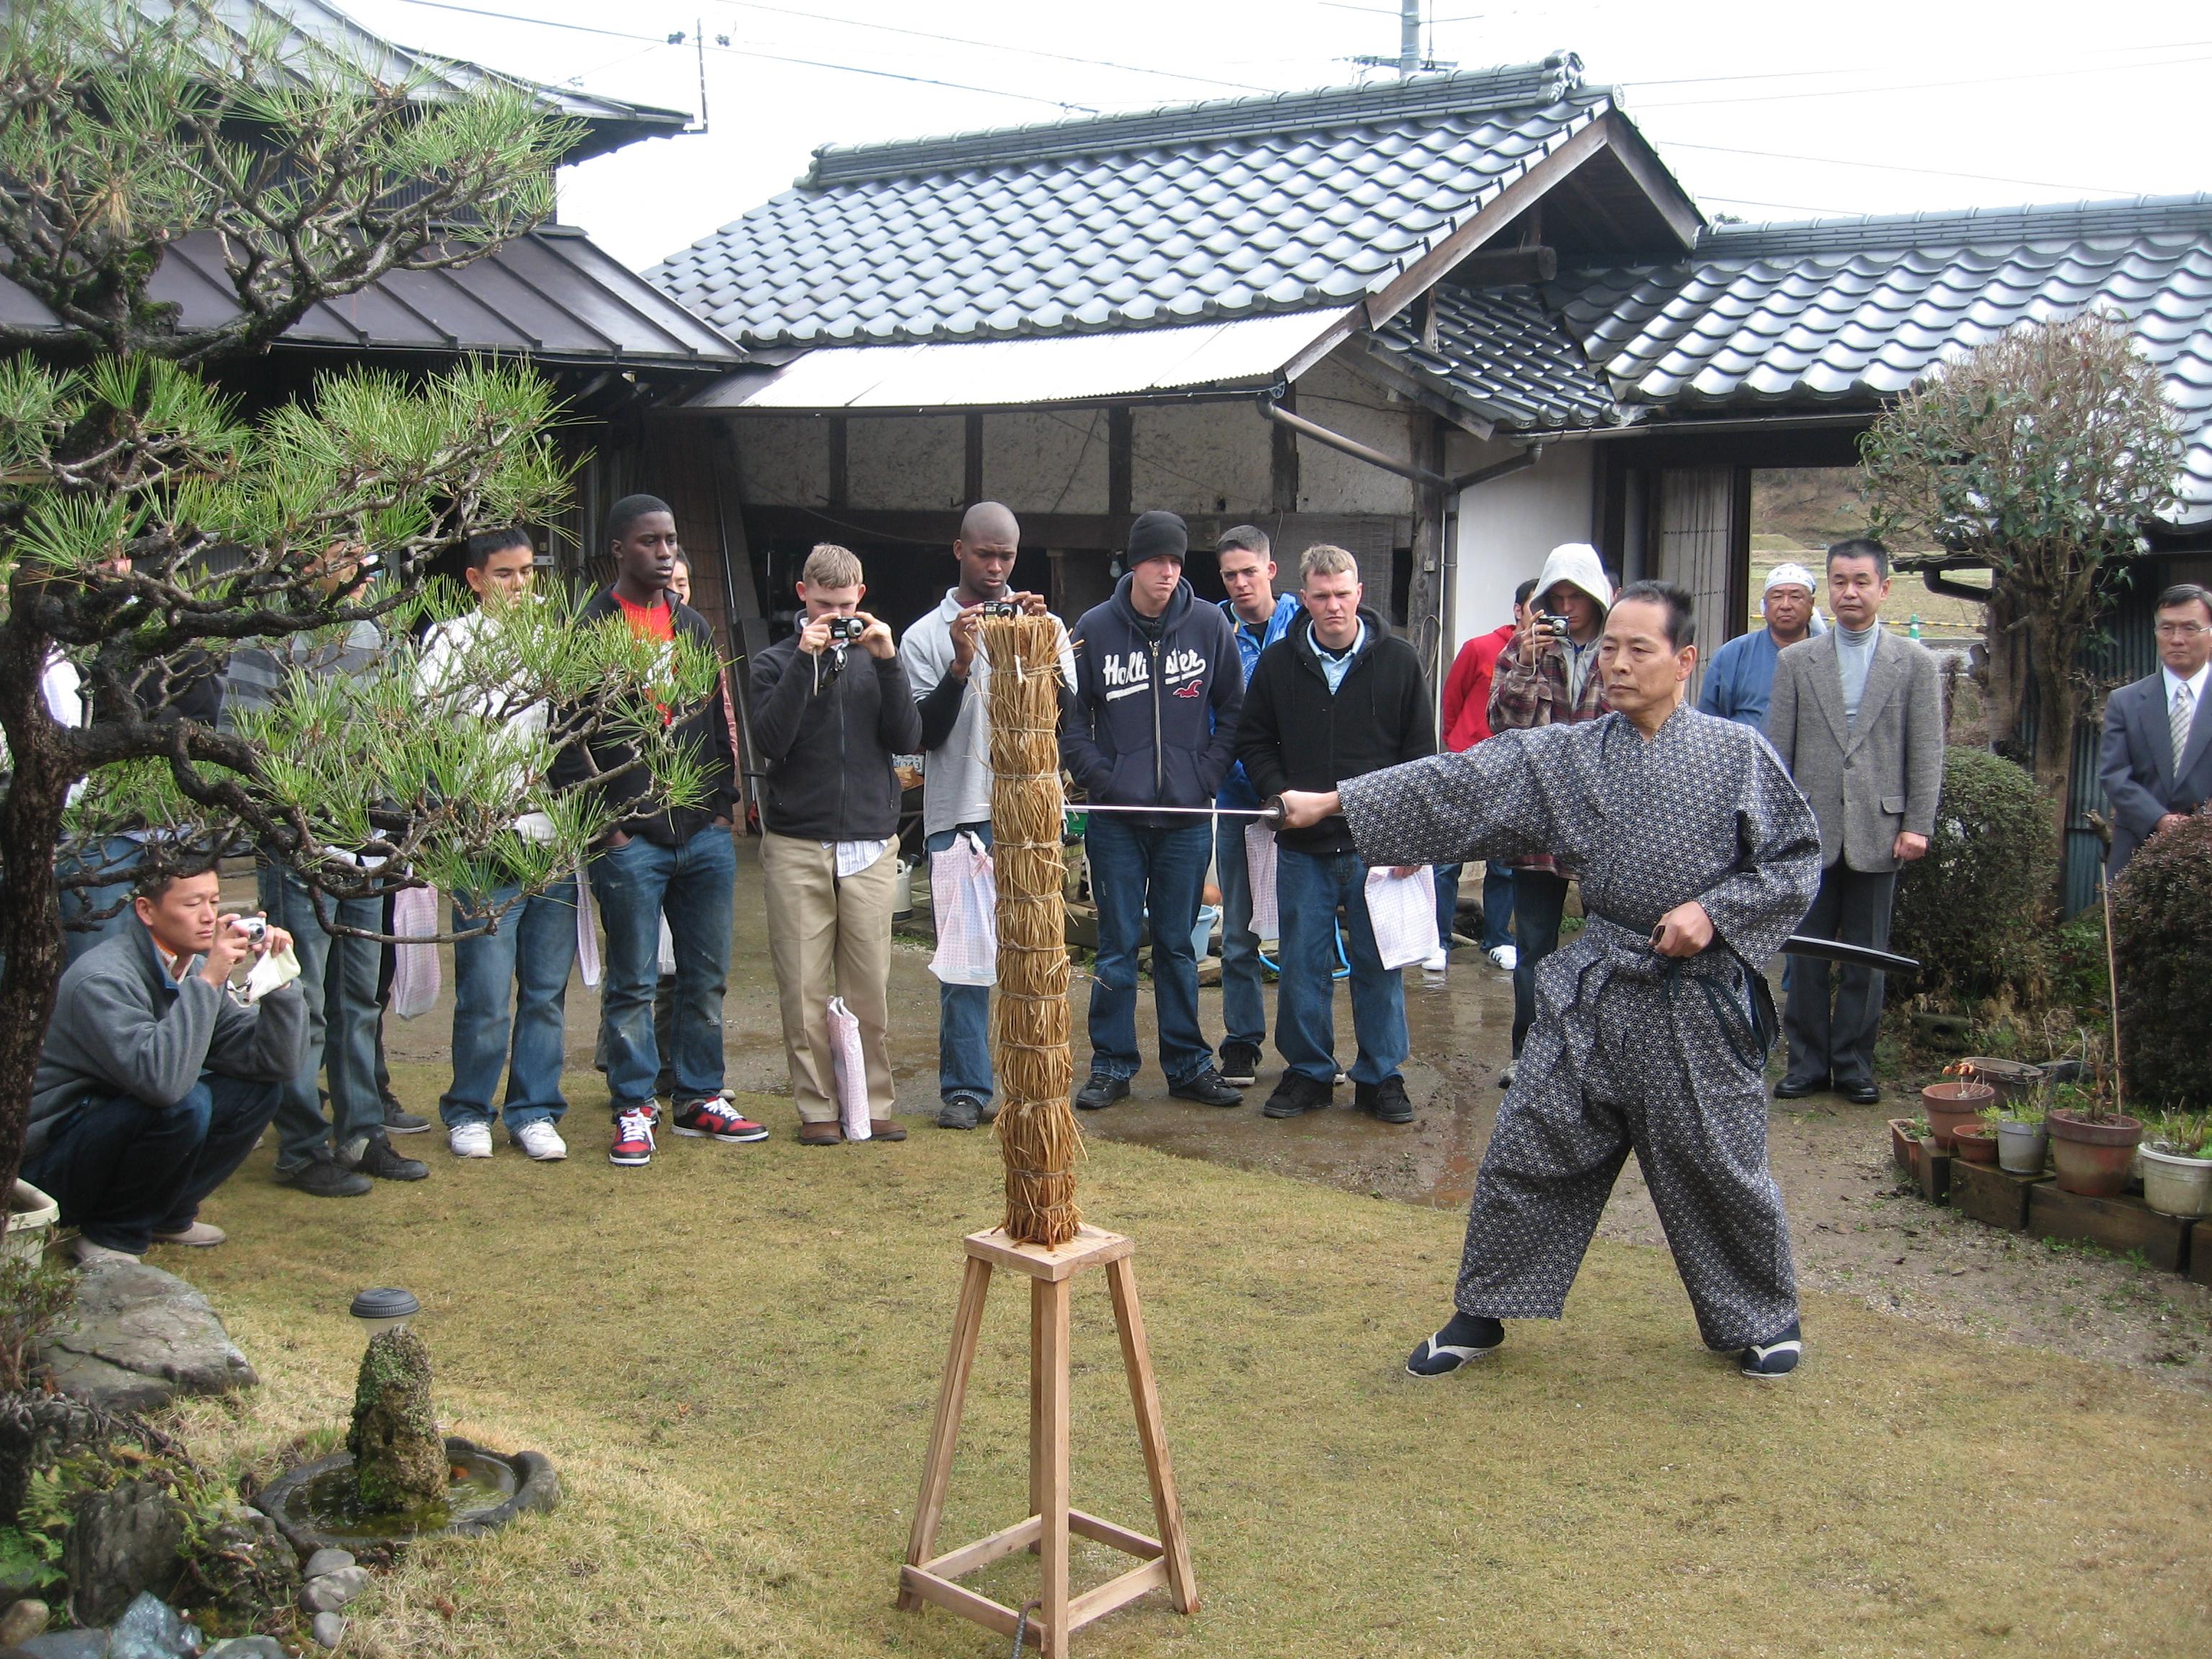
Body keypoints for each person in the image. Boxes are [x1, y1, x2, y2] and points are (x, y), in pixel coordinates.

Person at [1274, 582, 1822, 1380]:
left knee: (1720, 1164)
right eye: (1610, 648)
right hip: (1597, 987)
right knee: (1529, 1143)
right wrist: (1332, 803)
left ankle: (1764, 1318)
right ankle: (1483, 1310)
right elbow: (1463, 783)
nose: (1618, 664)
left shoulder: (1737, 755)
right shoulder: (1569, 754)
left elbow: (1796, 860)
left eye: (1639, 650)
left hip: (1698, 999)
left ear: (1685, 661)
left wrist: (1714, 911)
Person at [555, 494, 760, 1168]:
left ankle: (699, 1096)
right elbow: (566, 741)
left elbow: (716, 724)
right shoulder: (587, 631)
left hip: (702, 837)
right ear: (619, 549)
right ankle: (634, 1105)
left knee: (706, 976)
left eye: (670, 539)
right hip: (630, 842)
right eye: (650, 541)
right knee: (634, 983)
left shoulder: (693, 625)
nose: (666, 551)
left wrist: (723, 810)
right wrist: (606, 831)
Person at [229, 545, 426, 1196]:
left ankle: (362, 1132)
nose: (357, 565)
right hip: (300, 843)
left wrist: (397, 825)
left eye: (360, 550)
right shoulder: (267, 636)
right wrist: (292, 821)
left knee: (359, 1001)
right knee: (302, 1001)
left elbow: (404, 734)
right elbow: (245, 740)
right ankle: (301, 1147)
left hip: (368, 844)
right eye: (339, 551)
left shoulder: (381, 632)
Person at [1236, 546, 1435, 1123]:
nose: (1333, 606)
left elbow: (1421, 756)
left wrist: (1411, 839)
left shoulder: (1399, 661)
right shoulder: (1279, 664)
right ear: (1304, 598)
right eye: (1321, 596)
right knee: (1302, 965)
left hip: (1378, 847)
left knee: (1380, 964)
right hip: (1304, 845)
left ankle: (1381, 1076)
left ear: (1359, 594)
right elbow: (1254, 740)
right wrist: (1280, 795)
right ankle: (1308, 1073)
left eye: (1343, 594)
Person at [28, 865, 307, 1265]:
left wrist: (278, 981)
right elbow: (163, 1084)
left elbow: (274, 1064)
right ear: (146, 910)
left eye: (214, 901)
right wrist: (208, 982)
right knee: (185, 1103)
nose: (209, 917)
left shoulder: (191, 967)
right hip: (48, 1169)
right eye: (192, 904)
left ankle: (167, 1214)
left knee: (256, 1091)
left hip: (107, 1130)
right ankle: (112, 1235)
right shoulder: (103, 979)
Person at [1061, 510, 1244, 1110]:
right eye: (1156, 560)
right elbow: (1071, 719)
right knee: (1116, 945)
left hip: (1187, 821)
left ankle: (1188, 1064)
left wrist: (1206, 775)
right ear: (1134, 563)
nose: (1167, 571)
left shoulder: (1210, 625)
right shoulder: (1094, 629)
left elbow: (1234, 710)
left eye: (1175, 560)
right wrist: (1104, 780)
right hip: (1116, 820)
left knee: (1177, 946)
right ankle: (1111, 1065)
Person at [899, 503, 1074, 1130]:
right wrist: (960, 663)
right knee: (964, 966)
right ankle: (966, 1090)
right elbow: (923, 734)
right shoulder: (924, 636)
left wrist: (1036, 642)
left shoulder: (1044, 624)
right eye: (984, 554)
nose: (996, 568)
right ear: (960, 551)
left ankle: (1035, 1084)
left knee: (1035, 954)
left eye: (1006, 556)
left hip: (1031, 818)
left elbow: (1070, 717)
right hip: (958, 816)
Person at [751, 544, 922, 1145]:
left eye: (846, 607)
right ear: (802, 596)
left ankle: (871, 1103)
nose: (837, 617)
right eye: (824, 606)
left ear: (862, 598)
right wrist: (805, 659)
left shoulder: (876, 659)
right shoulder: (774, 662)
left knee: (869, 984)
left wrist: (888, 660)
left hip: (870, 841)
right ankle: (818, 1107)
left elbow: (908, 738)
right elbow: (771, 741)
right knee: (802, 985)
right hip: (798, 839)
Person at [416, 526, 577, 1162]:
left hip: (552, 836)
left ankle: (534, 1109)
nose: (518, 584)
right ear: (476, 579)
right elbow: (422, 729)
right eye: (505, 573)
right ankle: (469, 1109)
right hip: (481, 840)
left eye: (527, 572)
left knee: (546, 991)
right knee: (484, 992)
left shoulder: (557, 641)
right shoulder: (450, 640)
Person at [1765, 539, 1942, 1105]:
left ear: (1883, 588)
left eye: (1862, 581)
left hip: (1881, 830)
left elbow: (1926, 751)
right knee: (1805, 954)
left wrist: (1917, 824)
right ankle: (1806, 1063)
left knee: (1868, 957)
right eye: (1840, 581)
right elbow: (1777, 752)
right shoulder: (1797, 662)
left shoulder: (1914, 663)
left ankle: (1854, 1065)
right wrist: (1776, 827)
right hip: (1809, 830)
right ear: (1829, 588)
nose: (1850, 592)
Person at [1487, 542, 1613, 1087]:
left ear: (1597, 597)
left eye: (1576, 597)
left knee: (1610, 947)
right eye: (1556, 598)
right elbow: (1502, 725)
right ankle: (1530, 1055)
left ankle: (1599, 1059)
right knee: (1534, 946)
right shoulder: (1523, 650)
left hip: (1606, 823)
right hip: (1538, 821)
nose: (1566, 608)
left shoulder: (1619, 648)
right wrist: (1525, 664)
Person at [1209, 525, 1303, 1087]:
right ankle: (1242, 1043)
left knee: (1304, 932)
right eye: (1230, 575)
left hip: (1302, 803)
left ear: (1271, 569)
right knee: (1239, 932)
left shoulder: (1305, 623)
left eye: (1250, 571)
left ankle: (1307, 1047)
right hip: (1238, 800)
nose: (1241, 583)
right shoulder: (1213, 632)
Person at [1437, 577, 1537, 974]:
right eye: (1536, 606)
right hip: (1469, 763)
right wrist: (1457, 743)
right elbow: (1452, 699)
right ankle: (1438, 941)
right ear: (1518, 610)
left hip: (1515, 771)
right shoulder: (1480, 647)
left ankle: (1498, 939)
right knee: (1447, 861)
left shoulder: (1549, 658)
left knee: (1505, 864)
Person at [2098, 583, 2212, 880]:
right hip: (2137, 851)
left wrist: (2199, 826)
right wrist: (2159, 819)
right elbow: (2114, 775)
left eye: (2189, 628)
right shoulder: (2125, 702)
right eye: (2166, 628)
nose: (2177, 639)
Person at [1698, 562, 1820, 730]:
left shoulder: (1828, 655)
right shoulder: (1732, 654)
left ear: (1811, 604)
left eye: (1795, 597)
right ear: (1765, 605)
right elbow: (1707, 722)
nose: (1786, 605)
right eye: (1777, 597)